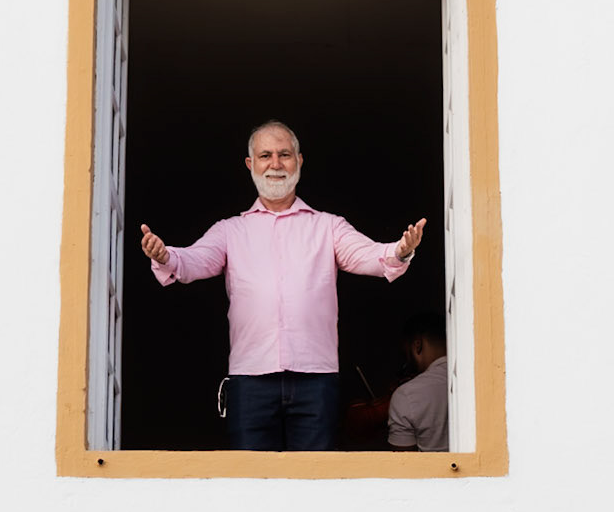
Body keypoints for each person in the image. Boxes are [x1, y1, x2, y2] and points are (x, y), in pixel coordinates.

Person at [140, 119, 425, 453]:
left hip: (316, 379)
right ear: (251, 164)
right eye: (265, 155)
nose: (275, 163)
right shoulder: (230, 231)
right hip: (250, 379)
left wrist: (400, 250)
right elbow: (192, 260)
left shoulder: (327, 226)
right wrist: (164, 256)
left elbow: (371, 255)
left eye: (284, 154)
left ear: (299, 161)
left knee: (315, 482)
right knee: (251, 483)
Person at [386, 310, 449, 453]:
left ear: (417, 345)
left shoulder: (406, 394)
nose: (407, 362)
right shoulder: (476, 381)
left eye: (406, 354)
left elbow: (402, 462)